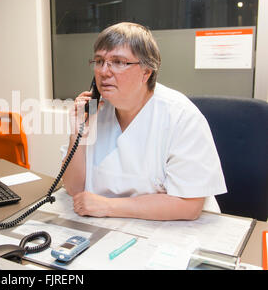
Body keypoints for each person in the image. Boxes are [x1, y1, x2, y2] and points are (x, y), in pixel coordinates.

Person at [62, 22, 227, 221]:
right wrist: (78, 131)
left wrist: (108, 206)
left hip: (175, 231)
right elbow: (73, 188)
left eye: (119, 62)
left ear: (146, 72)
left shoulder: (181, 116)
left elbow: (188, 206)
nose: (104, 71)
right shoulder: (94, 112)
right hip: (109, 227)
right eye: (99, 61)